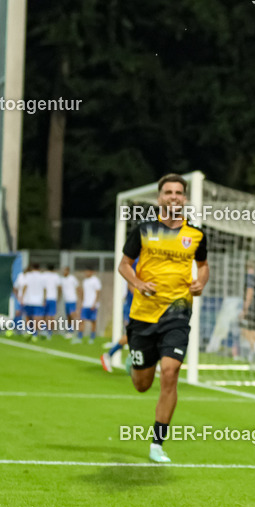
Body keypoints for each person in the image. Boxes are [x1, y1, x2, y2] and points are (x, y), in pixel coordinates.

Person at [118, 173, 208, 463]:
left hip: (177, 312)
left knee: (170, 372)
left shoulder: (195, 235)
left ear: (184, 199)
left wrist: (201, 282)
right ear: (159, 198)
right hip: (143, 316)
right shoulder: (143, 231)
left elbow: (203, 266)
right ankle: (136, 360)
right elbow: (123, 265)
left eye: (178, 192)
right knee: (142, 384)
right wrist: (138, 283)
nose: (173, 197)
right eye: (168, 192)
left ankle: (157, 444)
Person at [101, 280, 133, 372]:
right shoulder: (133, 271)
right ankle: (108, 355)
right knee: (129, 336)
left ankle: (133, 360)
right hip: (131, 310)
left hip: (140, 310)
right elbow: (133, 289)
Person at [240, 259, 255, 361]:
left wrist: (245, 308)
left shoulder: (250, 277)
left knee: (244, 329)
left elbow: (250, 292)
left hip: (251, 307)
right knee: (252, 331)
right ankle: (254, 353)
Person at [20, 262, 46, 339]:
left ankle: (30, 331)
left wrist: (22, 297)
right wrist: (44, 299)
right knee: (37, 318)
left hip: (29, 300)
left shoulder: (28, 275)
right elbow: (44, 289)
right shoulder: (42, 276)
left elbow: (25, 286)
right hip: (38, 300)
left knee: (28, 317)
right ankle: (35, 333)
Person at [77, 269, 101, 343]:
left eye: (88, 271)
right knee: (81, 320)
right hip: (85, 304)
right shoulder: (85, 281)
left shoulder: (95, 280)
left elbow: (98, 292)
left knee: (93, 321)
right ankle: (79, 337)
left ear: (92, 272)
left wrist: (94, 303)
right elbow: (84, 293)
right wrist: (82, 303)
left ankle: (92, 337)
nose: (86, 273)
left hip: (92, 304)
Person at [42, 264, 61, 337]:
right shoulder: (56, 276)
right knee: (51, 316)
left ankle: (44, 330)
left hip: (45, 298)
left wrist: (43, 298)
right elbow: (59, 287)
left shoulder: (44, 275)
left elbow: (44, 288)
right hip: (53, 298)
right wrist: (59, 297)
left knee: (44, 315)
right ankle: (49, 332)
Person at [60, 266, 80, 337]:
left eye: (65, 271)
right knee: (68, 316)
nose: (64, 272)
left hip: (72, 299)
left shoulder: (72, 278)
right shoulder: (62, 279)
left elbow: (78, 288)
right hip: (66, 300)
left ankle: (78, 330)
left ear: (68, 271)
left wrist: (79, 299)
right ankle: (70, 331)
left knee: (73, 315)